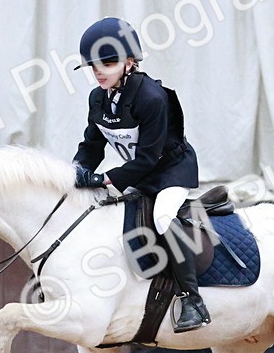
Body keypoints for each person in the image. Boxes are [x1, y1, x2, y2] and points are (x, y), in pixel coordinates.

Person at [71, 17, 210, 333]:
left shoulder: (151, 97)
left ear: (129, 62)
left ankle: (193, 300)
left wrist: (105, 179)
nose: (99, 71)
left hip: (171, 172)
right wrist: (77, 172)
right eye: (93, 65)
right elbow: (92, 145)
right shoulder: (97, 98)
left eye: (107, 62)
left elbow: (148, 157)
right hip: (136, 173)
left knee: (162, 217)